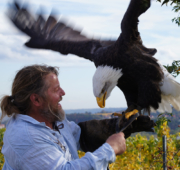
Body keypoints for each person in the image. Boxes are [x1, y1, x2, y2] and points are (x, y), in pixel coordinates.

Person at [0, 64, 155, 170]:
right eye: (56, 89)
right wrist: (110, 149)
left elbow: (79, 136)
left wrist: (117, 126)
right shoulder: (26, 137)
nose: (63, 93)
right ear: (36, 100)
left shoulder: (52, 120)